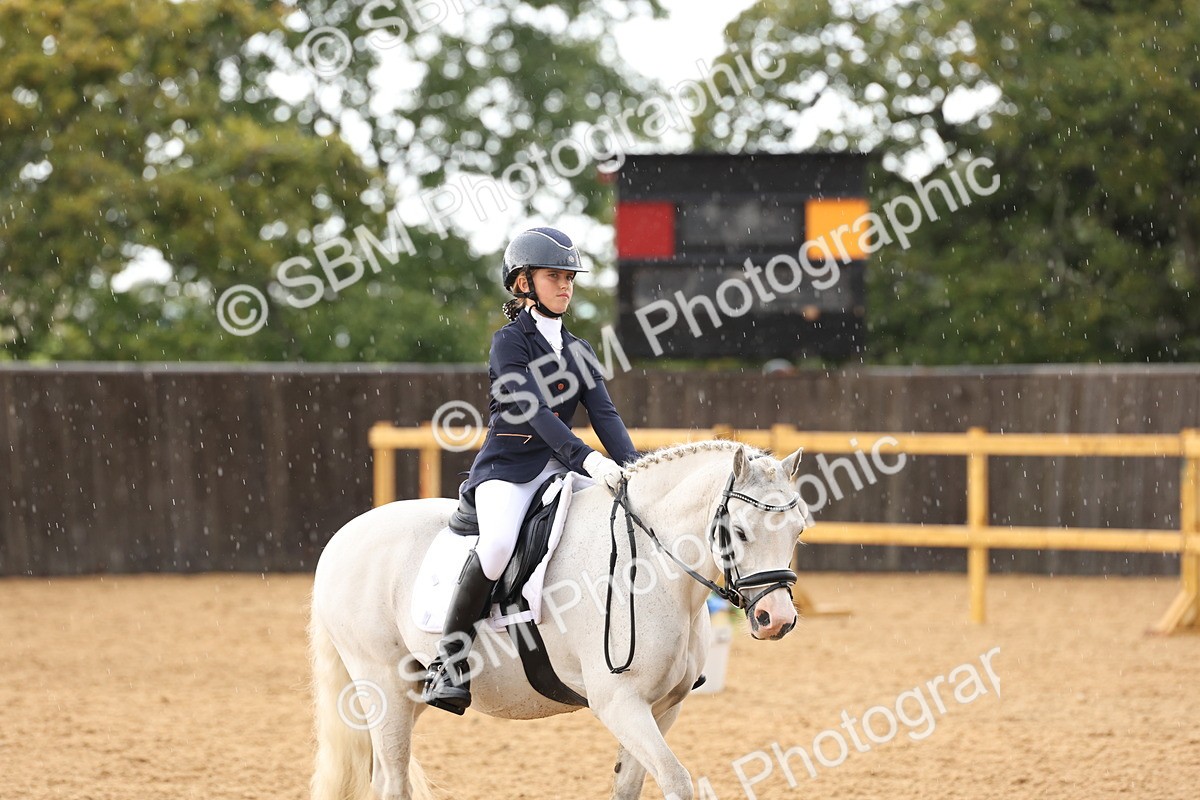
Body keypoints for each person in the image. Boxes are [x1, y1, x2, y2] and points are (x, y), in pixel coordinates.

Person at [422, 226, 639, 714]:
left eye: (569, 277)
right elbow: (532, 411)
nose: (565, 286)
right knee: (497, 545)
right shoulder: (509, 344)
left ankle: (652, 647)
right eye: (553, 276)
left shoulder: (579, 350)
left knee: (624, 518)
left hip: (561, 471)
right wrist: (586, 460)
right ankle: (450, 663)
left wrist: (635, 470)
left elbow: (605, 415)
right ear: (523, 283)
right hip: (509, 469)